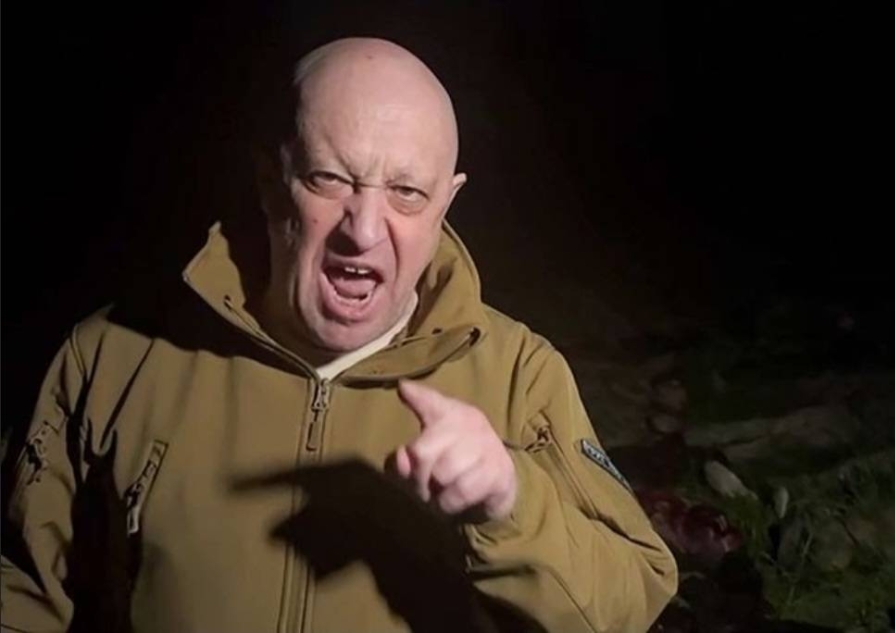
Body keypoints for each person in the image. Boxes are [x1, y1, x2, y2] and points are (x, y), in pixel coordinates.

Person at [1, 38, 677, 632]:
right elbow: (21, 592)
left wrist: (511, 502)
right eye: (330, 179)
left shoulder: (519, 375)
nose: (364, 229)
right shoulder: (113, 354)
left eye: (407, 192)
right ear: (272, 181)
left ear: (447, 202)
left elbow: (629, 605)